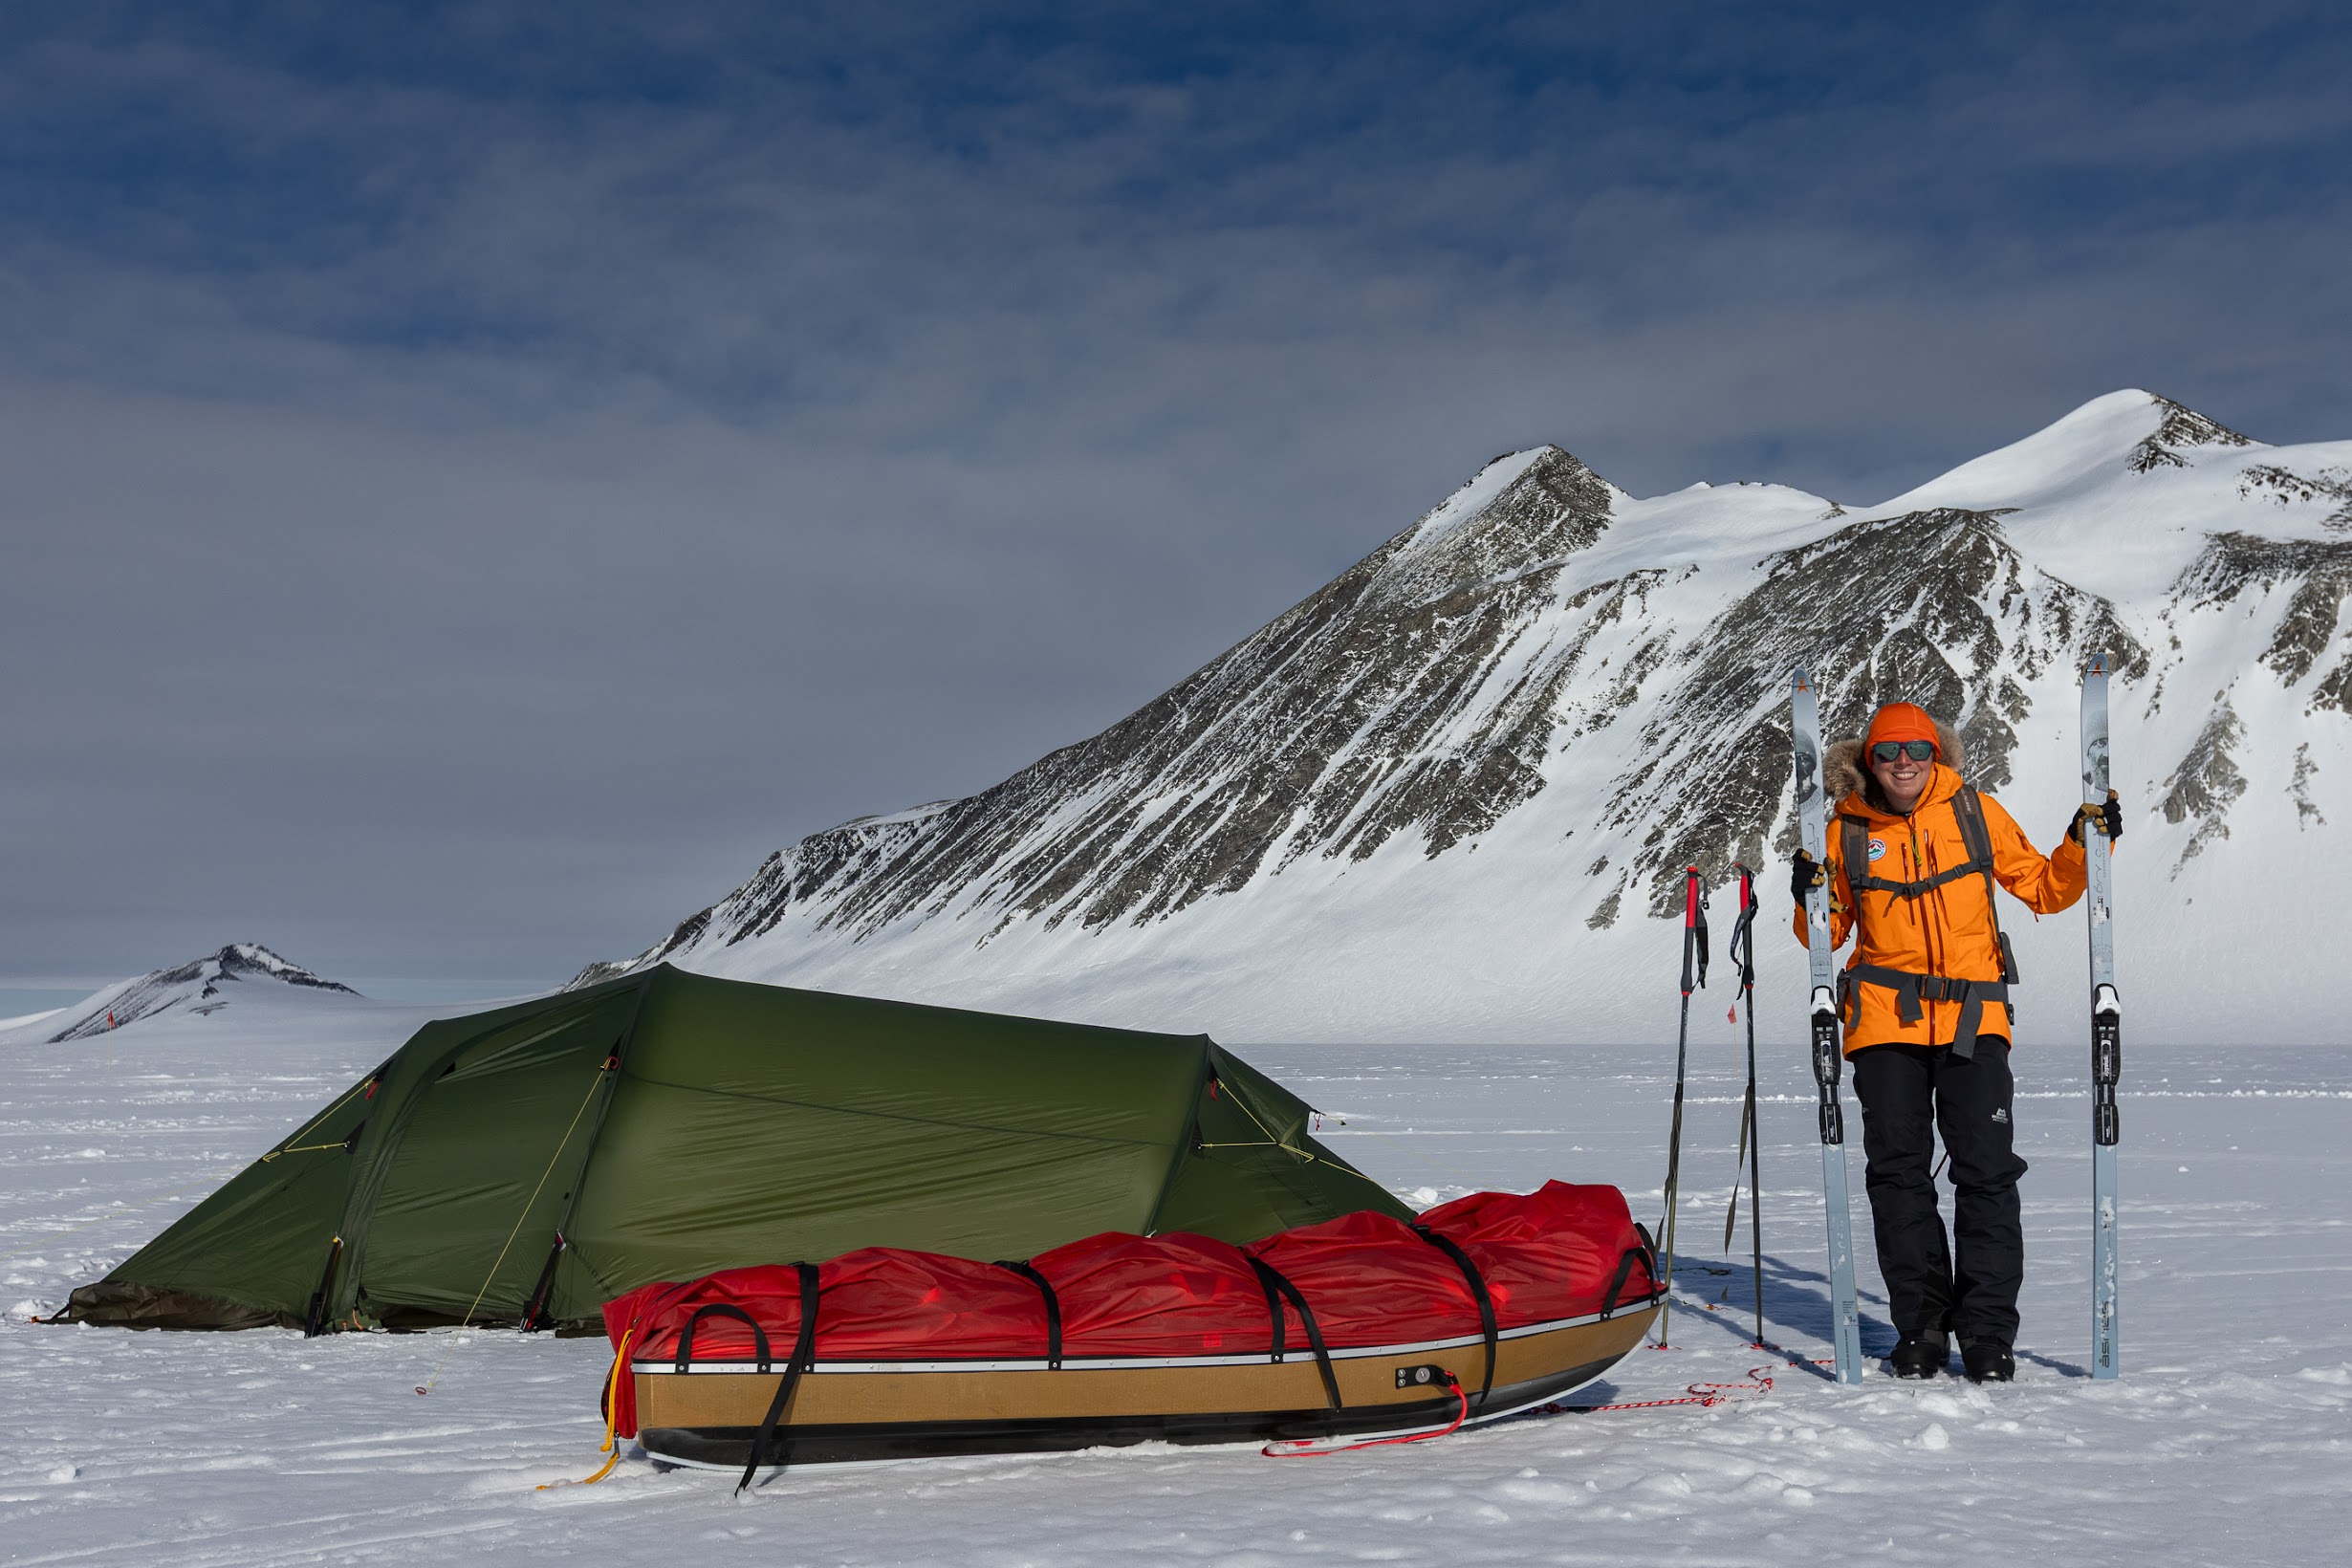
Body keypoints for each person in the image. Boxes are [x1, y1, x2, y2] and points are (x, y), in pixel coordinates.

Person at [1791, 701, 2120, 1383]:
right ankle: (1921, 1328)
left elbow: (2043, 887)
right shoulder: (1845, 830)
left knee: (1987, 1174)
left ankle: (1987, 1333)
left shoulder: (1976, 812)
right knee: (1898, 1177)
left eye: (1916, 748)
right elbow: (1824, 936)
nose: (1903, 762)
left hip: (1975, 1019)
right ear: (1869, 761)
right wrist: (1807, 899)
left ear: (1936, 752)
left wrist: (2085, 846)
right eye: (1888, 752)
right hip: (1883, 1023)